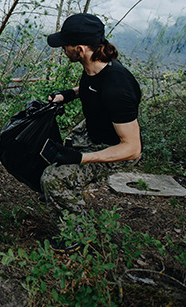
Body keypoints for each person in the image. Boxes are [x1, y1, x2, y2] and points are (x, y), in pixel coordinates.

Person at [41, 13, 142, 246]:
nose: (62, 49)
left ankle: (76, 237)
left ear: (79, 49)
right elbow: (91, 85)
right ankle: (64, 195)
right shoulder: (94, 66)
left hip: (115, 147)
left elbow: (133, 148)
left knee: (53, 178)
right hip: (92, 128)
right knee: (55, 148)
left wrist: (82, 158)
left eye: (64, 45)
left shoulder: (118, 88)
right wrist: (68, 94)